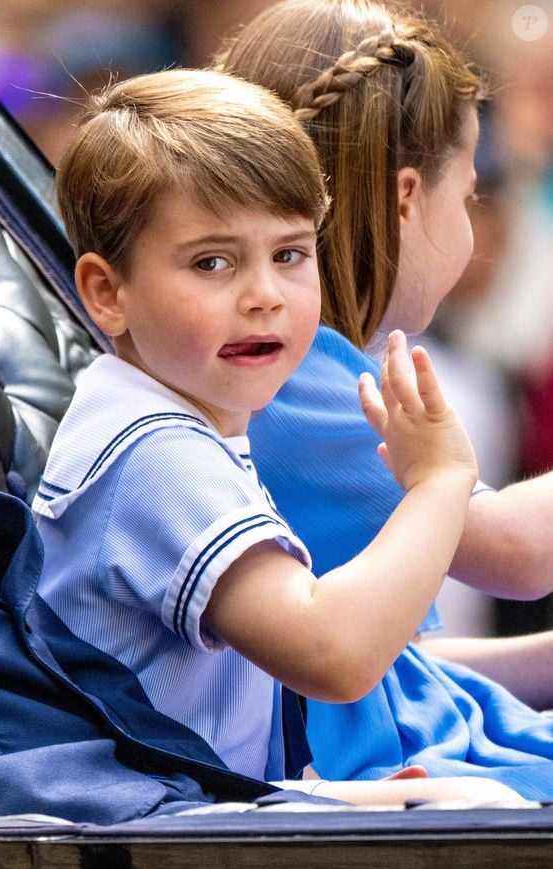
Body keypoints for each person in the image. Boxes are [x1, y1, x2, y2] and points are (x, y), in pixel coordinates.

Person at [29, 66, 519, 807]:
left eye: (289, 254)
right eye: (212, 262)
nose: (263, 295)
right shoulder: (156, 453)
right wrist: (440, 482)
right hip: (164, 835)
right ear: (107, 292)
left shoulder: (173, 419)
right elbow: (332, 651)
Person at [216, 0, 553, 800]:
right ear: (407, 198)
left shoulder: (314, 366)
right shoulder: (291, 380)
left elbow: (390, 672)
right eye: (467, 196)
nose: (470, 227)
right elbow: (520, 553)